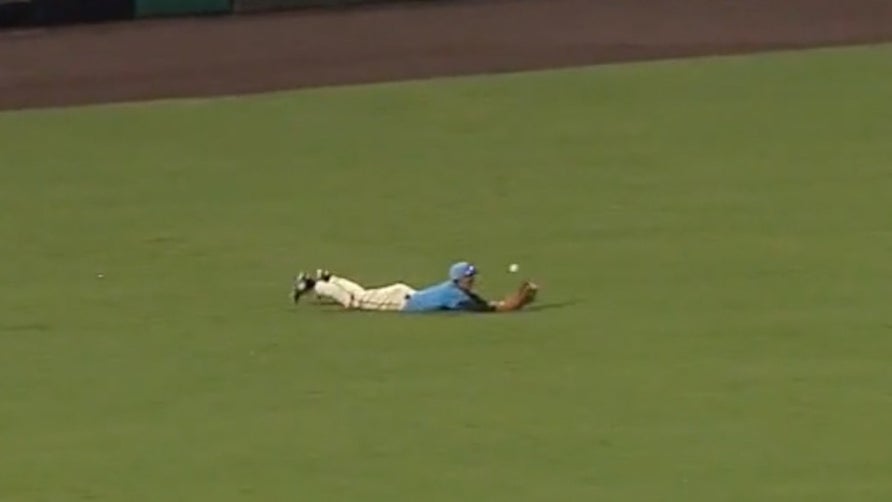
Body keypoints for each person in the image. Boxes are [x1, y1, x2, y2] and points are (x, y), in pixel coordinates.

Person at [291, 261, 538, 313]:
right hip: (399, 301)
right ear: (459, 279)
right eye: (469, 277)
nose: (472, 280)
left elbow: (490, 306)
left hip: (404, 294)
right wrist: (521, 298)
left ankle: (330, 279)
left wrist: (518, 296)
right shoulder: (456, 296)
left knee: (363, 295)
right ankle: (316, 285)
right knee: (356, 301)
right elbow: (494, 310)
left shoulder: (457, 293)